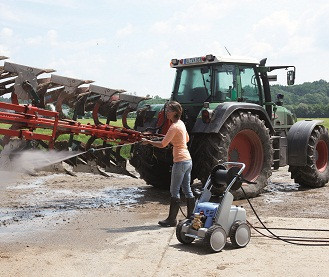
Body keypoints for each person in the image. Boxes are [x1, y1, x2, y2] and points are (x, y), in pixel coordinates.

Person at [142, 101, 195, 227]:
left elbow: (162, 144)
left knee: (174, 190)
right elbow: (186, 139)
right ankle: (191, 216)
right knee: (187, 189)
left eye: (169, 110)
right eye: (167, 110)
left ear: (176, 112)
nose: (167, 112)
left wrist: (148, 142)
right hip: (188, 160)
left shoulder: (174, 126)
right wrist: (174, 141)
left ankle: (171, 220)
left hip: (180, 161)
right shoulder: (181, 124)